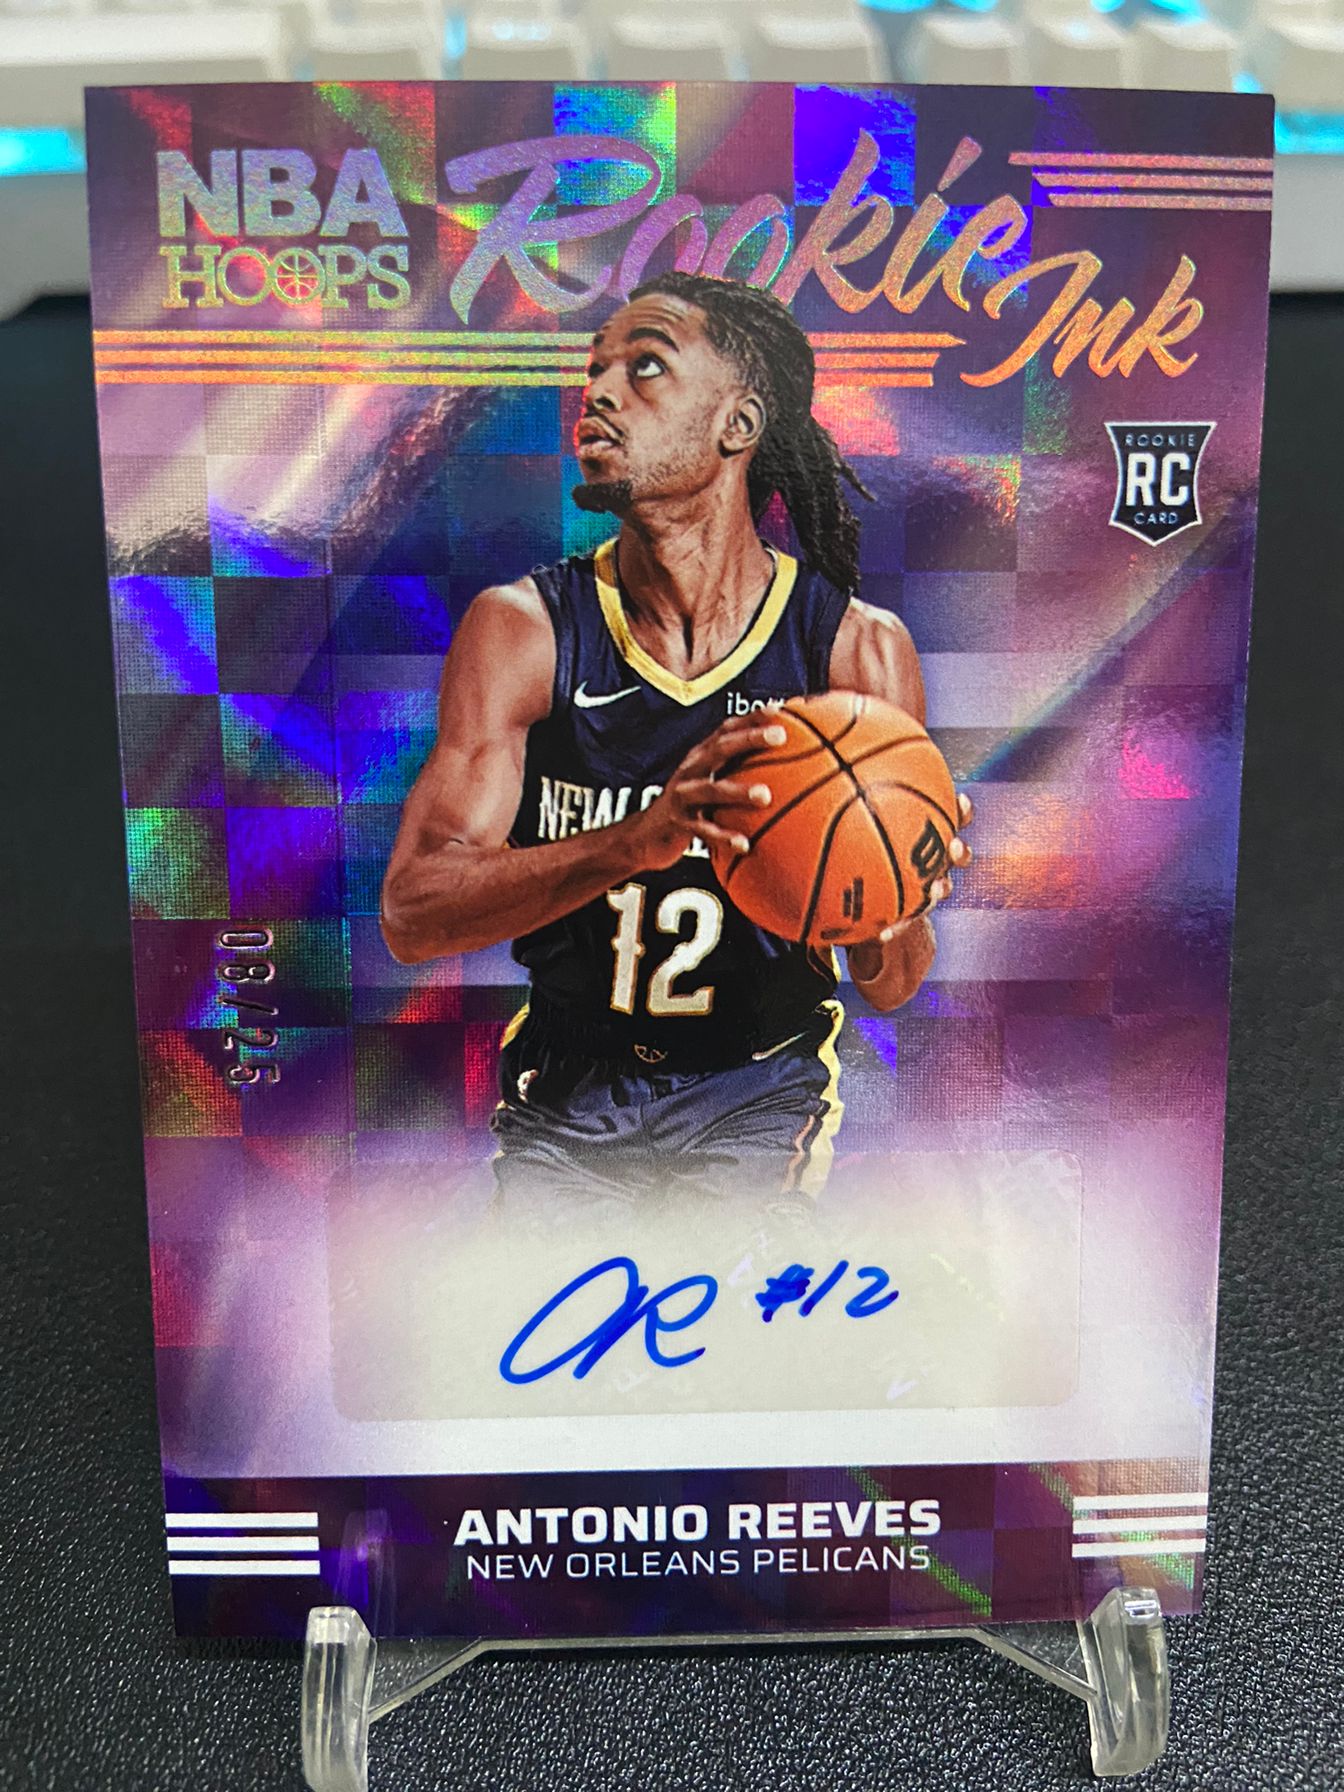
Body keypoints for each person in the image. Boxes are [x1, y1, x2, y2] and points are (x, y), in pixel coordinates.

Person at [381, 272, 971, 1203]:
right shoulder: (525, 631)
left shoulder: (853, 650)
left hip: (756, 1088)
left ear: (738, 424)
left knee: (717, 1285)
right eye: (596, 369)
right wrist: (638, 841)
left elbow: (891, 983)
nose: (598, 394)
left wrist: (895, 888)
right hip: (568, 1083)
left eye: (645, 366)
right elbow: (413, 914)